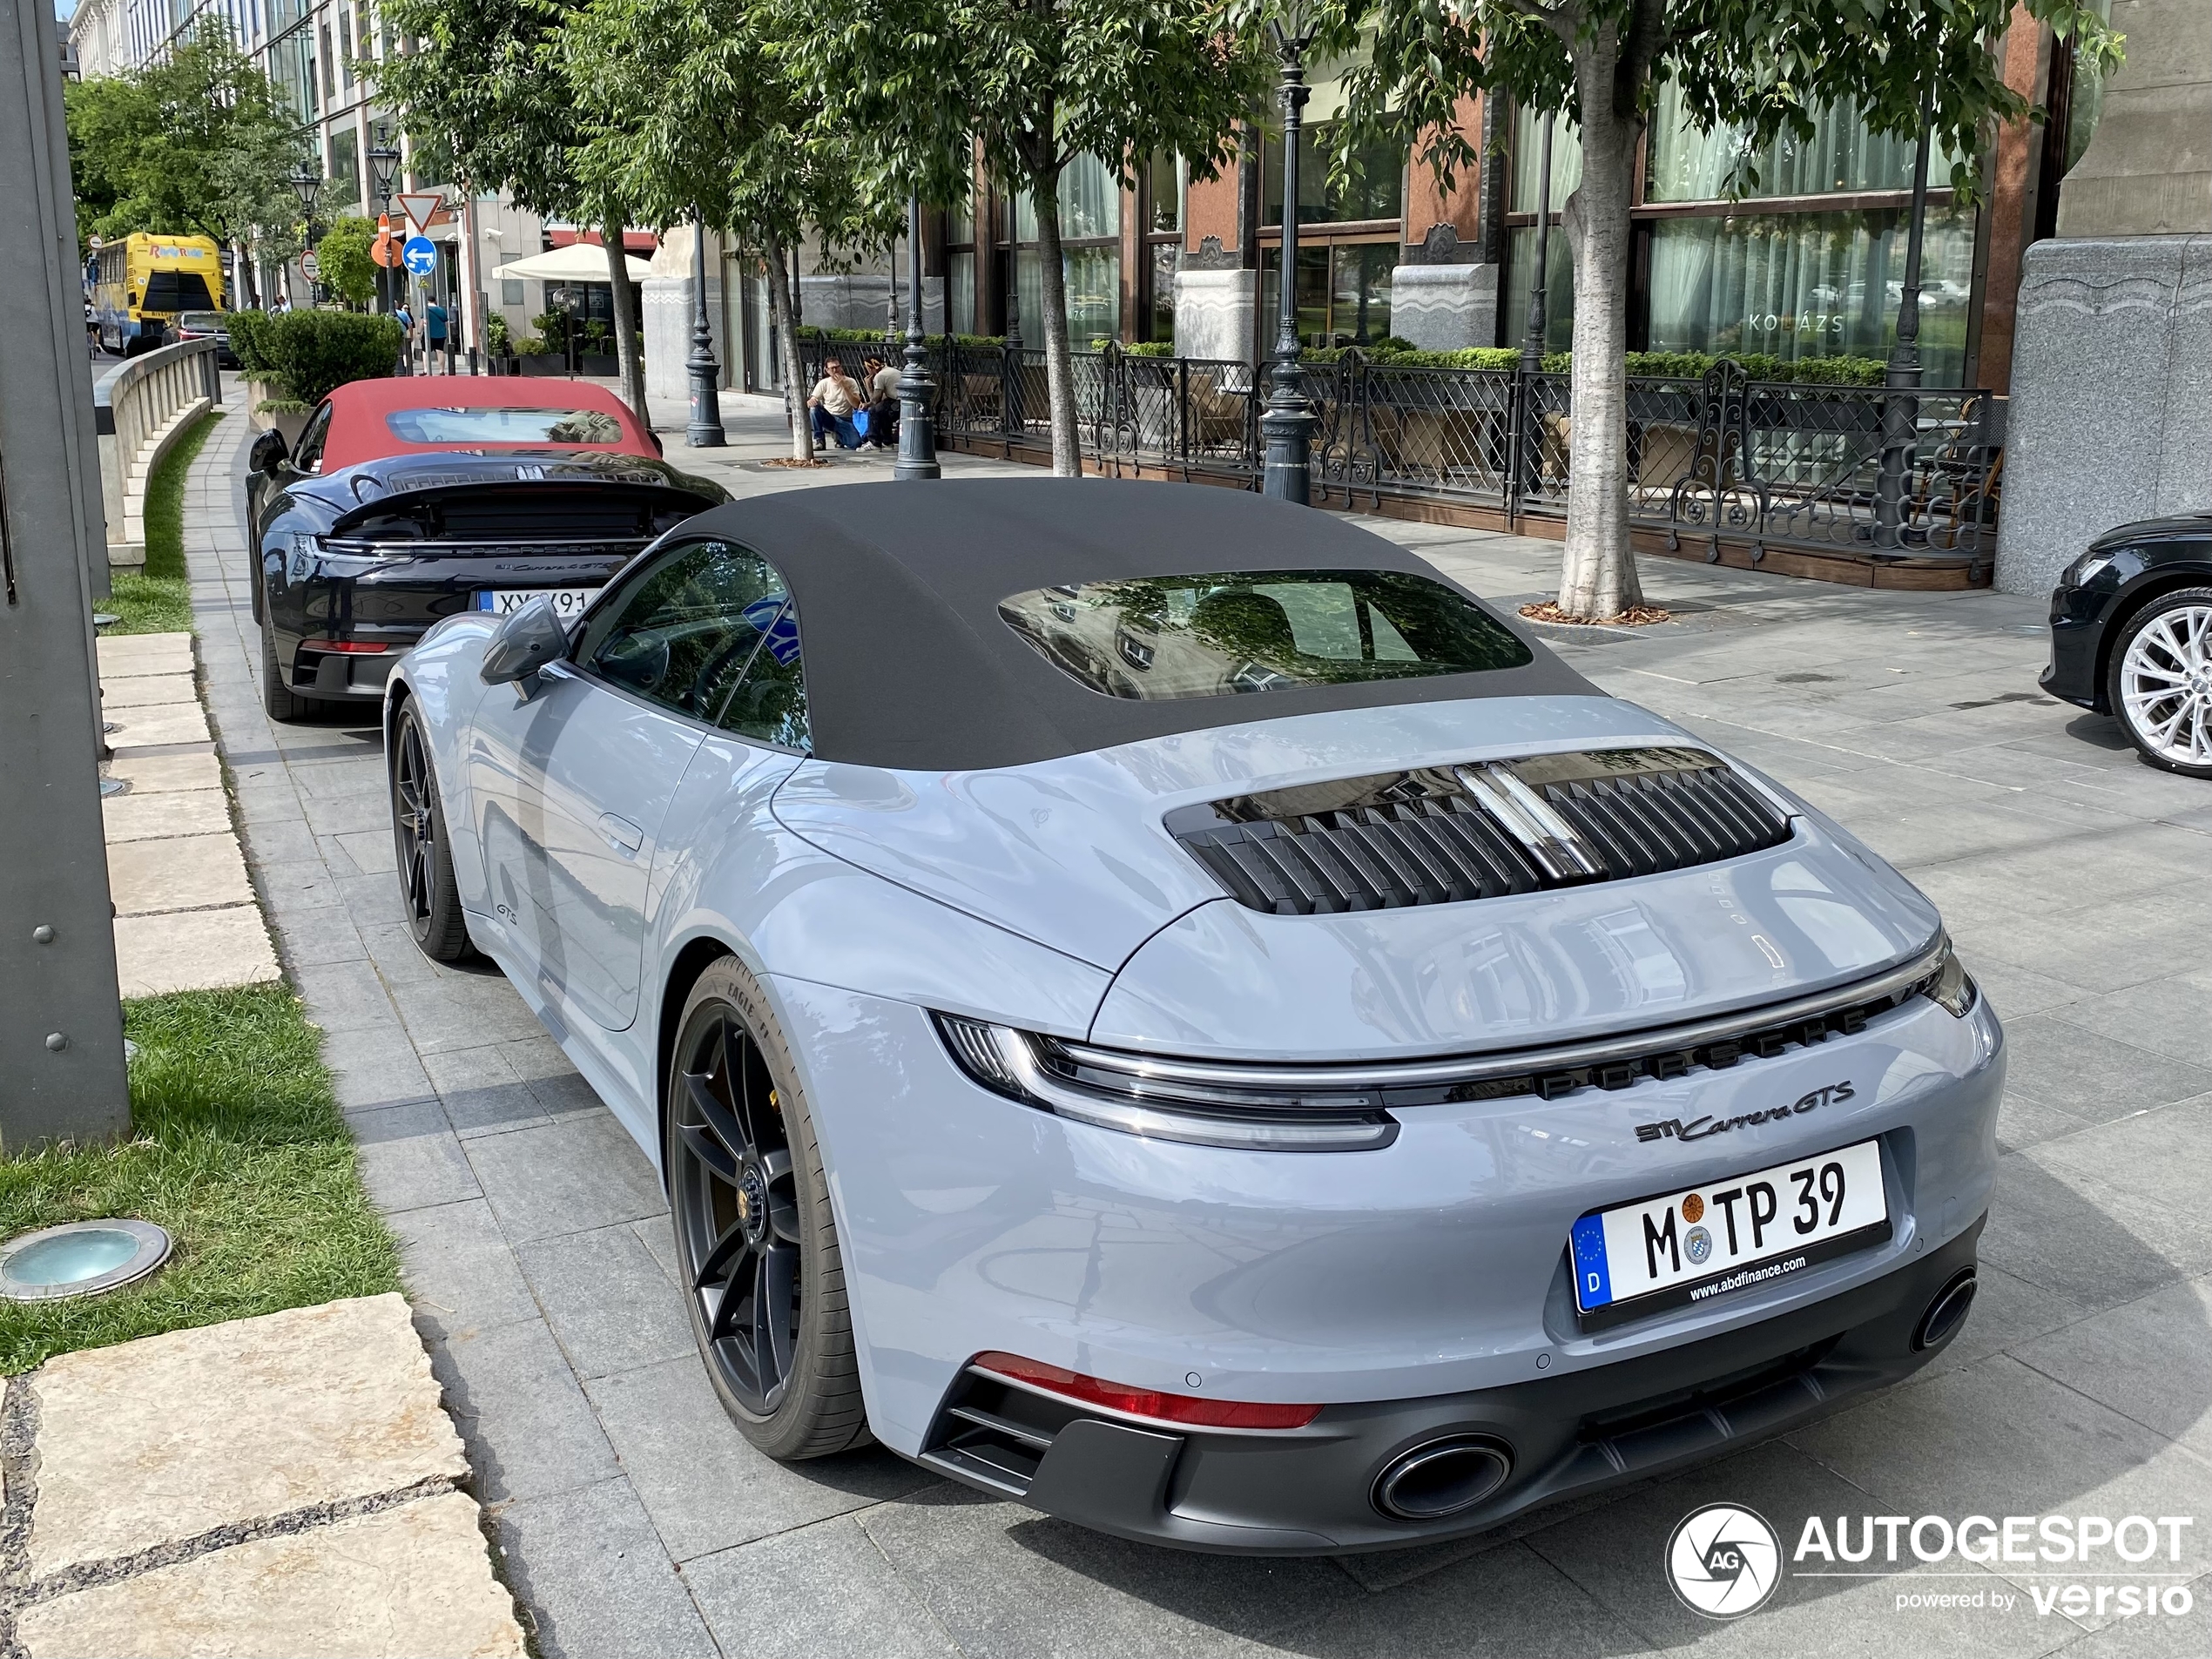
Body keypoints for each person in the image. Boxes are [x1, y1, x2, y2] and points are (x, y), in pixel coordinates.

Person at [806, 357, 866, 450]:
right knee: (814, 409)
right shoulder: (824, 383)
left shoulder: (851, 382)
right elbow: (813, 399)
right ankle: (819, 440)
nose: (835, 370)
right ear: (827, 370)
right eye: (832, 368)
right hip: (830, 417)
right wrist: (811, 401)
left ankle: (839, 437)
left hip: (845, 419)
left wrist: (844, 387)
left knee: (856, 444)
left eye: (837, 367)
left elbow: (856, 404)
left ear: (841, 367)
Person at [861, 354, 900, 449]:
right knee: (882, 409)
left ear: (870, 367)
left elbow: (876, 400)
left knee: (873, 411)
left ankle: (874, 442)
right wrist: (868, 404)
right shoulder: (893, 371)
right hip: (901, 403)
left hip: (898, 405)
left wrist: (868, 386)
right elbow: (882, 399)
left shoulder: (880, 376)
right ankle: (887, 442)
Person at [425, 300, 448, 374]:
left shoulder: (426, 310)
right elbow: (445, 322)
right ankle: (442, 370)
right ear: (435, 301)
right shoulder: (441, 310)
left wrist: (419, 331)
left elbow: (423, 321)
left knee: (425, 352)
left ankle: (426, 369)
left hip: (428, 334)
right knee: (440, 352)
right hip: (440, 334)